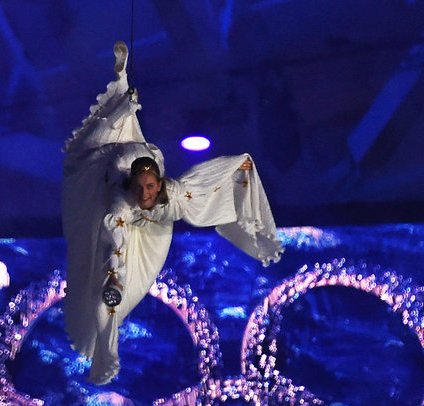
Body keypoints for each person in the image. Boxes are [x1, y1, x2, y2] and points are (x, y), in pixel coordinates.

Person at [62, 42, 281, 385]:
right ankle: (106, 352)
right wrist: (113, 280)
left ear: (158, 184)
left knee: (119, 288)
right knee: (107, 295)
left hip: (153, 230)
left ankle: (123, 90)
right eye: (141, 189)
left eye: (150, 188)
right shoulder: (118, 206)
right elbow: (112, 248)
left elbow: (203, 188)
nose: (145, 194)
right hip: (118, 205)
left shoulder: (170, 193)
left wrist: (238, 168)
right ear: (131, 186)